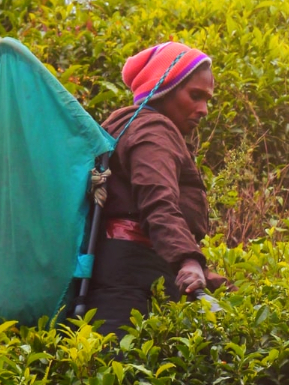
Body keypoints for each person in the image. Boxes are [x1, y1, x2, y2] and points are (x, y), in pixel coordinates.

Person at [84, 41, 234, 336]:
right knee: (122, 373)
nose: (203, 110)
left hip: (113, 269)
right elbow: (158, 201)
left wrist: (202, 271)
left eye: (207, 100)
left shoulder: (122, 127)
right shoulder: (153, 130)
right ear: (164, 88)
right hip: (132, 277)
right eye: (195, 96)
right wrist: (187, 260)